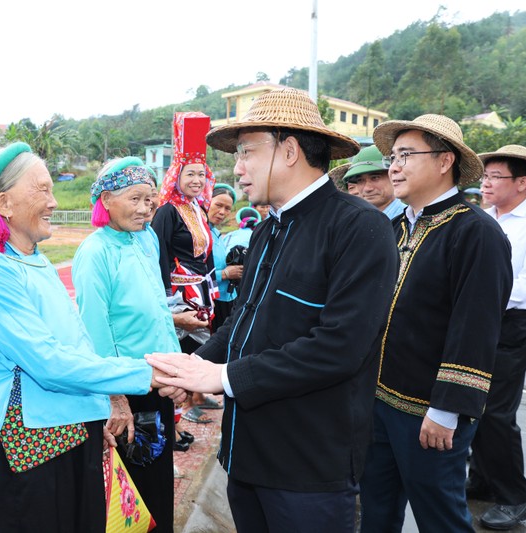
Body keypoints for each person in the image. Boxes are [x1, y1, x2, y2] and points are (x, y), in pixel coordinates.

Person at [147, 87, 398, 533]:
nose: (237, 168)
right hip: (246, 455)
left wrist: (221, 378)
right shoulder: (266, 232)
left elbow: (339, 347)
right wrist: (193, 367)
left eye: (246, 152)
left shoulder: (359, 229)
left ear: (289, 151)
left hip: (308, 467)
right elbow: (242, 324)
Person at [0, 143, 167, 532]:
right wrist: (148, 373)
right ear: (4, 203)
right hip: (27, 443)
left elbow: (76, 342)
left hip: (68, 431)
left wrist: (93, 410)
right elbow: (49, 363)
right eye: (42, 190)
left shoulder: (34, 260)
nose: (54, 202)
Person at [358, 114, 513, 532]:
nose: (393, 166)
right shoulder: (395, 225)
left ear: (445, 161)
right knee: (375, 508)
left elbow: (476, 327)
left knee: (439, 516)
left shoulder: (475, 231)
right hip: (378, 399)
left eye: (406, 155)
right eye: (393, 156)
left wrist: (446, 410)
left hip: (429, 412)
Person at [72, 157, 181, 532]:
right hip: (127, 391)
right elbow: (95, 329)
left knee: (159, 485)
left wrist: (177, 370)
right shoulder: (95, 252)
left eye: (149, 199)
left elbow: (156, 309)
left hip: (158, 381)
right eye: (134, 199)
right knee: (134, 495)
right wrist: (115, 396)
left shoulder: (146, 238)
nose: (144, 208)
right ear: (105, 200)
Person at [466, 144, 526, 530]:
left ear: (522, 182)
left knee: (496, 412)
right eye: (485, 176)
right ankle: (481, 480)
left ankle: (515, 499)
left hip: (513, 323)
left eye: (495, 176)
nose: (486, 183)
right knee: (473, 403)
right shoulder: (484, 217)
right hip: (480, 320)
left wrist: (475, 300)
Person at [151, 111, 215, 424]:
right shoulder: (167, 211)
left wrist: (211, 284)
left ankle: (193, 397)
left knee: (195, 344)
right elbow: (160, 252)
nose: (196, 181)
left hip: (199, 287)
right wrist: (165, 292)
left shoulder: (197, 209)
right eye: (190, 174)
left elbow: (206, 251)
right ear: (177, 176)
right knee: (180, 345)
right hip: (176, 291)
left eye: (201, 175)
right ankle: (181, 410)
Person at [329, 144, 406, 218]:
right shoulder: (352, 221)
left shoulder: (410, 221)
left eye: (375, 178)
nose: (367, 188)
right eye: (360, 180)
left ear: (393, 176)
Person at [208, 183, 243, 330]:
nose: (222, 212)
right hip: (211, 300)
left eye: (227, 208)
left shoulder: (216, 233)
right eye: (218, 205)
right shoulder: (199, 234)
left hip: (227, 298)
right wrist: (224, 274)